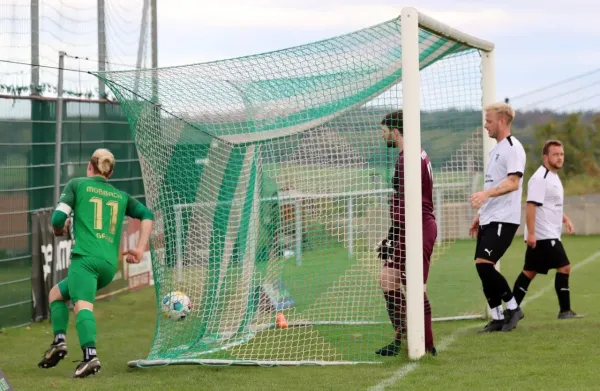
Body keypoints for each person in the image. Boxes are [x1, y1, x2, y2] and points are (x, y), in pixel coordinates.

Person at [37, 148, 155, 378]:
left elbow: (58, 218)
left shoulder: (77, 185)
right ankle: (59, 341)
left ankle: (90, 357)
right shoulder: (121, 196)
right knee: (56, 294)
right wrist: (140, 248)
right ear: (109, 173)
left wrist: (59, 229)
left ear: (90, 167)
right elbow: (147, 215)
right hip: (108, 267)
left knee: (82, 305)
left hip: (85, 260)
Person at [375, 110, 438, 356]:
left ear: (396, 131)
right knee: (388, 279)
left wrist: (396, 234)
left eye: (384, 132)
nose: (382, 137)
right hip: (407, 230)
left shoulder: (408, 159)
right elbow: (402, 204)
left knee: (415, 288)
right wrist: (392, 236)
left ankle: (428, 346)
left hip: (419, 230)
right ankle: (403, 334)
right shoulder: (410, 155)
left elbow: (408, 205)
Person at [469, 101, 526, 333]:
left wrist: (485, 195)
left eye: (489, 120)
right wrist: (481, 213)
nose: (485, 125)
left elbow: (513, 183)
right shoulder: (496, 150)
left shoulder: (513, 147)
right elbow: (495, 183)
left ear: (502, 121)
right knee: (481, 267)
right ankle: (497, 316)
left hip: (504, 218)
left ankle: (513, 308)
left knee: (485, 264)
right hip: (490, 217)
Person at [512, 140, 584, 319]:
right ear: (546, 157)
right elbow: (530, 206)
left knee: (529, 272)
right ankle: (565, 311)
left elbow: (551, 206)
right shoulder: (540, 178)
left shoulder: (553, 176)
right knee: (565, 267)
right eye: (555, 154)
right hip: (544, 236)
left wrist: (565, 218)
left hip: (547, 234)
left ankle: (511, 309)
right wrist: (532, 233)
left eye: (561, 154)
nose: (560, 158)